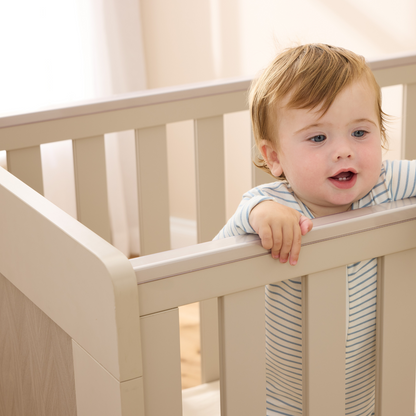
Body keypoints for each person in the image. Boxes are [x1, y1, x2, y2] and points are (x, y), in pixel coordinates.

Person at [214, 44, 416, 416]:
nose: (343, 151)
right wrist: (261, 214)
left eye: (359, 132)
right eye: (318, 138)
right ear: (275, 157)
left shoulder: (387, 183)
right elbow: (216, 260)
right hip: (282, 401)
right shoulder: (276, 203)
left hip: (369, 394)